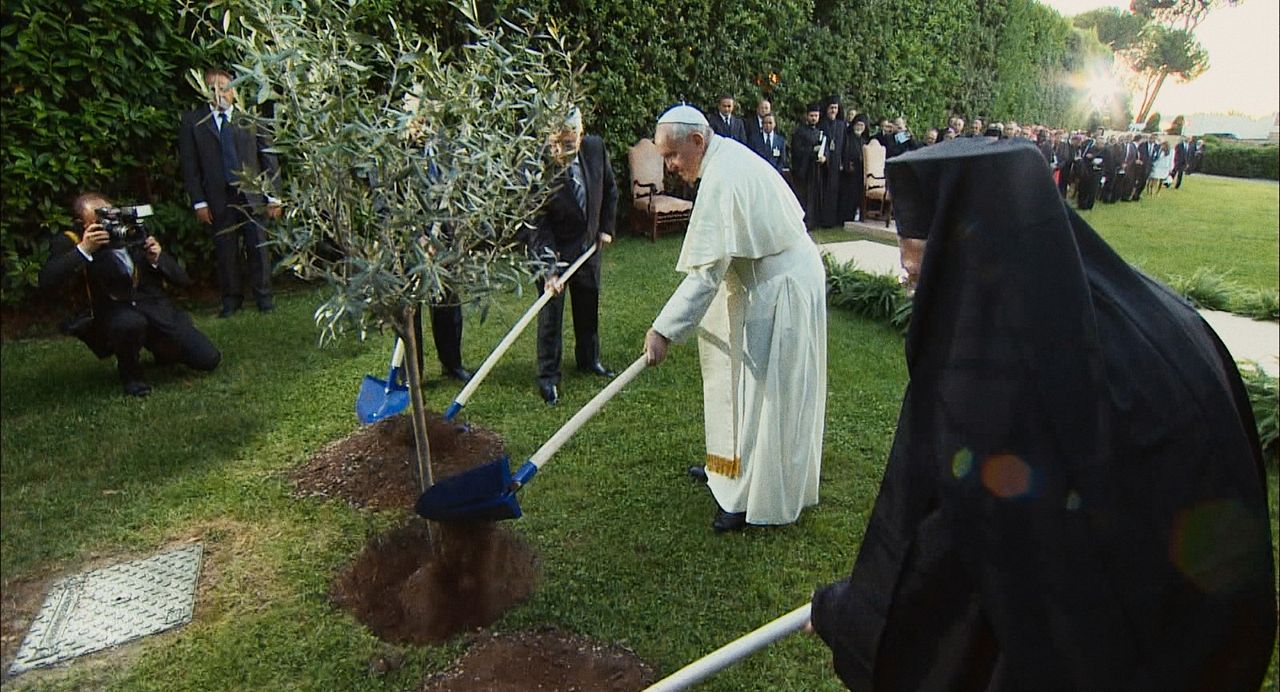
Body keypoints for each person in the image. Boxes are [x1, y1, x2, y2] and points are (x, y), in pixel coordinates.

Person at [810, 138, 1275, 691]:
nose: (914, 295)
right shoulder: (1149, 312)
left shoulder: (1003, 377)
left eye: (920, 278)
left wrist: (846, 614)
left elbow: (946, 575)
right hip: (1209, 633)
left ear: (968, 259)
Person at [645, 105, 827, 532]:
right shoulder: (723, 160)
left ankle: (752, 498)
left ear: (697, 141)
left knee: (769, 394)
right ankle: (728, 473)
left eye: (673, 156)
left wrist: (663, 331)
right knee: (748, 386)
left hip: (784, 288)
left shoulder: (724, 177)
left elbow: (706, 275)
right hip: (769, 283)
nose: (671, 167)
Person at [39, 193, 221, 396]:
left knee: (208, 359)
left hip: (153, 308)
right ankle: (131, 376)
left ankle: (163, 349)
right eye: (99, 221)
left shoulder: (133, 232)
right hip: (112, 312)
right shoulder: (71, 241)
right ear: (81, 223)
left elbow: (183, 279)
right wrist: (85, 249)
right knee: (130, 323)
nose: (109, 225)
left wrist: (157, 258)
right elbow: (47, 280)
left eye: (111, 218)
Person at [527, 108, 618, 405]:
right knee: (551, 316)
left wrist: (605, 228)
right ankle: (548, 378)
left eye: (568, 144)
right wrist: (550, 270)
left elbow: (610, 189)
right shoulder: (537, 167)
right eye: (554, 143)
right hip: (554, 250)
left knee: (587, 304)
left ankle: (589, 359)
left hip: (588, 248)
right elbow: (536, 223)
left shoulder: (595, 147)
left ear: (581, 134)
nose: (560, 151)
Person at [178, 67, 282, 318]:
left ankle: (264, 297)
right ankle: (231, 299)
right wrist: (199, 203)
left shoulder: (250, 117)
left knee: (258, 246)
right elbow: (190, 167)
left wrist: (274, 196)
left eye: (223, 87)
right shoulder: (194, 122)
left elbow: (268, 159)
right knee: (226, 249)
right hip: (218, 197)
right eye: (212, 88)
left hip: (251, 194)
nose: (218, 93)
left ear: (234, 90)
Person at [789, 104, 825, 230]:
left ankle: (813, 222)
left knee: (814, 197)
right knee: (803, 197)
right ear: (807, 116)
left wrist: (824, 157)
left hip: (816, 170)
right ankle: (803, 222)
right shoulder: (799, 131)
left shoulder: (819, 132)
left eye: (816, 116)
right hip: (803, 170)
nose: (814, 118)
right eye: (811, 116)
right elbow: (797, 150)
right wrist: (811, 150)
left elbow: (824, 149)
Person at [815, 97, 848, 228]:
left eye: (835, 108)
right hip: (824, 163)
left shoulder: (841, 125)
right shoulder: (821, 124)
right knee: (823, 191)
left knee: (834, 192)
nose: (833, 110)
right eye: (831, 108)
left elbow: (845, 144)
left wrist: (843, 162)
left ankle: (831, 220)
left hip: (836, 163)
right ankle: (822, 220)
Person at [840, 114, 869, 222]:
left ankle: (852, 218)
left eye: (862, 125)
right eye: (858, 124)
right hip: (848, 173)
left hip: (859, 174)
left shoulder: (864, 141)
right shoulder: (847, 138)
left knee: (856, 197)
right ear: (853, 125)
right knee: (846, 197)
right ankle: (844, 219)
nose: (859, 127)